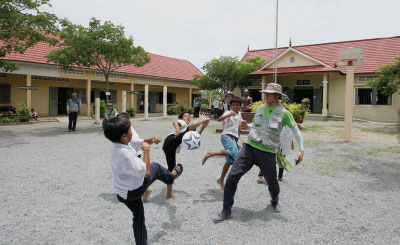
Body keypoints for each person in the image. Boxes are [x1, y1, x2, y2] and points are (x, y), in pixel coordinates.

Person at [214, 83, 304, 223]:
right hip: (249, 147)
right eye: (265, 93)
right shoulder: (260, 108)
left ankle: (274, 200)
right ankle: (226, 210)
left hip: (267, 152)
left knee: (272, 182)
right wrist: (246, 125)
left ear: (278, 96)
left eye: (270, 93)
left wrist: (301, 150)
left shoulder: (285, 114)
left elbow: (296, 132)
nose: (266, 95)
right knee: (232, 176)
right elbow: (256, 126)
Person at [104, 116, 183, 245]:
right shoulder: (126, 155)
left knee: (139, 216)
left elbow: (137, 142)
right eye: (130, 129)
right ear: (124, 136)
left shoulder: (117, 144)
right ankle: (171, 176)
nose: (132, 130)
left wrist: (151, 140)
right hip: (133, 191)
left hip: (121, 193)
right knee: (155, 167)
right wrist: (146, 150)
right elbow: (146, 172)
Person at [202, 97, 246, 190]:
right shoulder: (227, 112)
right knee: (233, 153)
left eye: (237, 105)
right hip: (227, 136)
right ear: (231, 105)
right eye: (233, 104)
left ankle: (221, 179)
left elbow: (239, 127)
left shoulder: (239, 114)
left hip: (234, 138)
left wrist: (242, 126)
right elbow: (219, 119)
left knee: (230, 161)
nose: (235, 106)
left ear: (240, 106)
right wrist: (229, 114)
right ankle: (209, 154)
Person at [162, 112, 210, 199]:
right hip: (171, 141)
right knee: (189, 129)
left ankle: (168, 193)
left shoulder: (189, 129)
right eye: (186, 116)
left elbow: (196, 136)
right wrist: (177, 129)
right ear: (181, 118)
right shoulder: (182, 123)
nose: (188, 117)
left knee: (172, 170)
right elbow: (175, 122)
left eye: (189, 116)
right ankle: (201, 119)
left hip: (170, 147)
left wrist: (203, 127)